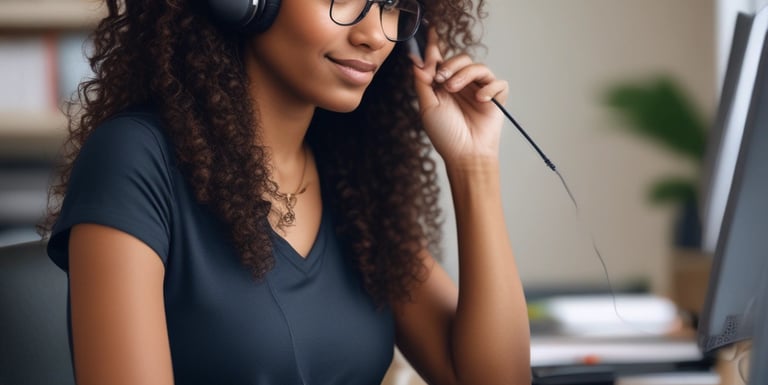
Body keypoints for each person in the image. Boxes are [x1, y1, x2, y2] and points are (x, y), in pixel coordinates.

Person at [42, 0, 531, 384]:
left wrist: (474, 165)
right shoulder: (134, 159)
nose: (373, 34)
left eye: (388, 2)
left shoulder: (352, 181)